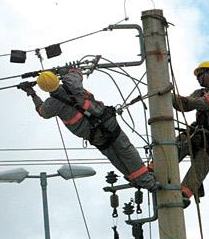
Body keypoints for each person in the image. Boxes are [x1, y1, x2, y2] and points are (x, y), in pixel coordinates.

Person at [19, 69, 157, 192]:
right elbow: (76, 71)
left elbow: (41, 111)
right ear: (56, 80)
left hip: (94, 135)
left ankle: (143, 181)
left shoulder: (51, 104)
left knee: (116, 157)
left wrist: (32, 94)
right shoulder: (71, 81)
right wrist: (62, 71)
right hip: (106, 122)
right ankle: (146, 181)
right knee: (126, 150)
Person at [173, 61, 209, 207]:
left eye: (201, 74)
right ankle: (157, 166)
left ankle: (184, 194)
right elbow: (185, 105)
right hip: (198, 133)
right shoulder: (199, 93)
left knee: (199, 167)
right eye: (197, 76)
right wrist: (169, 97)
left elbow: (204, 103)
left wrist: (181, 99)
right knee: (179, 143)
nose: (198, 78)